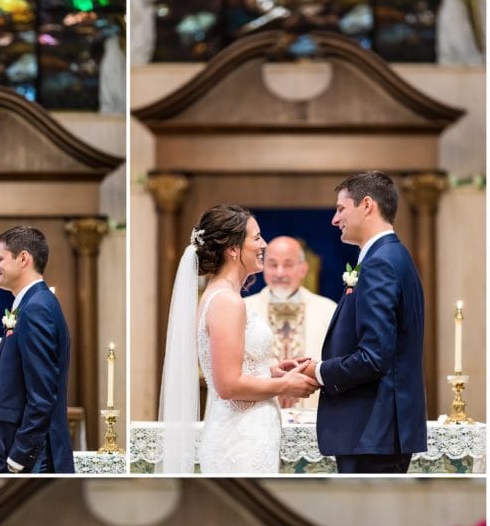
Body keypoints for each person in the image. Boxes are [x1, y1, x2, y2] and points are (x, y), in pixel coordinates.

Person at [159, 204, 318, 474]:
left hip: (248, 434)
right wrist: (284, 385)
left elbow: (236, 368)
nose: (264, 244)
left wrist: (272, 371)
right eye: (256, 238)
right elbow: (228, 385)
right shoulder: (226, 302)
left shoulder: (222, 296)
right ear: (233, 249)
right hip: (240, 441)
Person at [305, 171, 427, 474]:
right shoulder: (393, 256)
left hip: (373, 430)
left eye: (340, 208)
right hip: (379, 431)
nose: (335, 219)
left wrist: (318, 371)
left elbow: (373, 358)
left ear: (367, 205)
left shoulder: (381, 263)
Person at [0, 227, 75, 473]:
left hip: (34, 460)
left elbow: (42, 395)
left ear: (23, 259)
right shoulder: (32, 304)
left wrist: (18, 457)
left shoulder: (36, 309)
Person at [248, 236, 336, 409]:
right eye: (273, 264)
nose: (279, 273)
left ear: (303, 269)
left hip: (313, 414)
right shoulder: (244, 309)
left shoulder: (328, 310)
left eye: (288, 265)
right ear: (263, 268)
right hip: (257, 413)